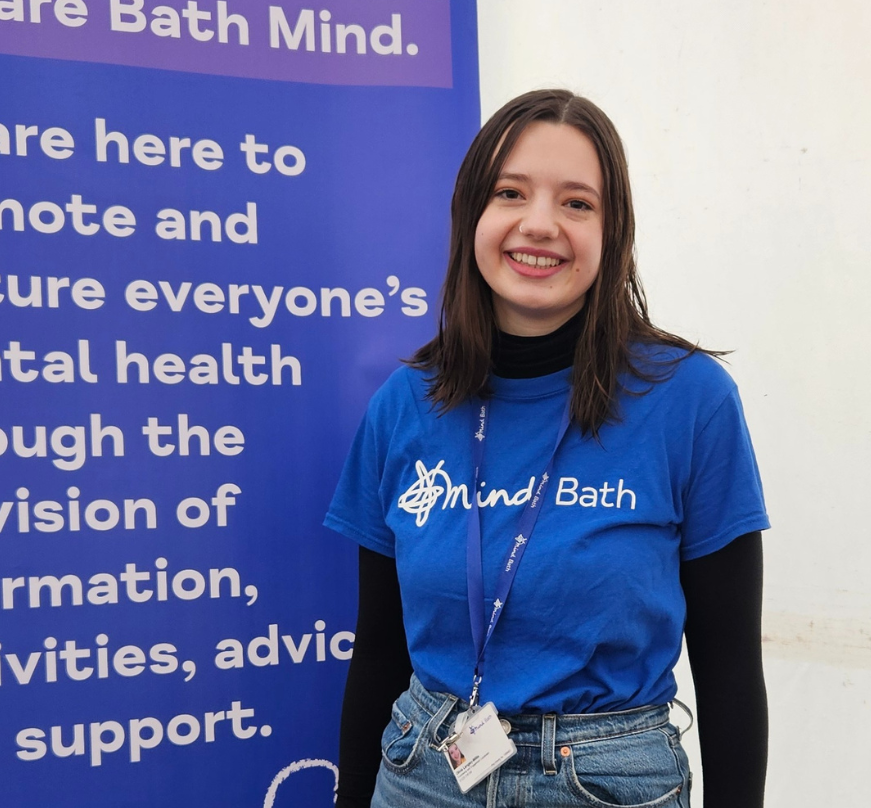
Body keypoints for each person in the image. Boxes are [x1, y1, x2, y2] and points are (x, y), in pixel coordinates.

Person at [325, 89, 769, 808]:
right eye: (510, 192)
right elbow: (378, 648)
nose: (540, 224)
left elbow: (730, 665)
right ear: (472, 212)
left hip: (609, 780)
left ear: (613, 230)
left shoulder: (690, 401)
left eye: (577, 203)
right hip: (423, 773)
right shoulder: (406, 404)